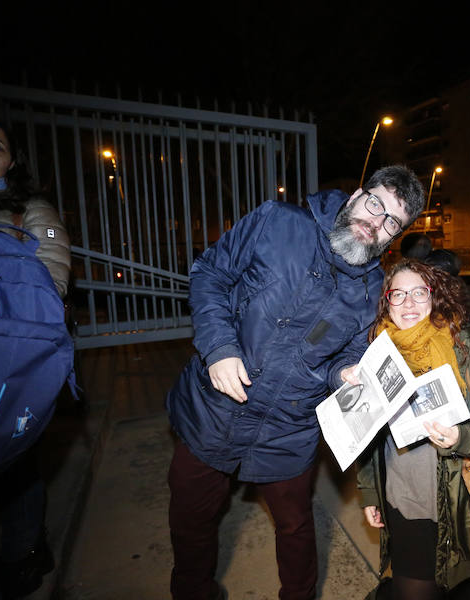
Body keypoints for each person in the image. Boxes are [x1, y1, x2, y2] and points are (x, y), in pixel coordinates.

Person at [165, 165, 425, 600]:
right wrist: (219, 348)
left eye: (391, 222)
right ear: (358, 193)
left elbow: (344, 356)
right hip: (214, 411)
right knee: (190, 519)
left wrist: (343, 373)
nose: (375, 221)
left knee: (295, 526)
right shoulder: (278, 221)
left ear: (394, 235)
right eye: (375, 203)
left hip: (290, 427)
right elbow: (210, 273)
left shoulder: (373, 289)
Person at [355, 260, 470, 600]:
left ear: (435, 298)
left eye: (419, 292)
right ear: (387, 302)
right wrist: (370, 492)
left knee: (468, 589)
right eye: (398, 294)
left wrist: (462, 436)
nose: (409, 303)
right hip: (404, 503)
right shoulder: (377, 354)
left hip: (465, 508)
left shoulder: (467, 348)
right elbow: (369, 436)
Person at [0, 107, 71, 599]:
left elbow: (52, 279)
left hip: (7, 356)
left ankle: (22, 552)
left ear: (10, 162)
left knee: (15, 461)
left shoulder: (27, 210)